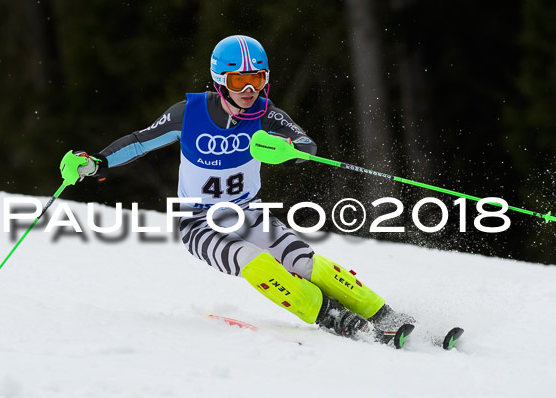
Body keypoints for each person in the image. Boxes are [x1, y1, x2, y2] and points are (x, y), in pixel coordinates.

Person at [61, 35, 412, 341]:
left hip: (247, 213)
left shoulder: (265, 113)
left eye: (257, 79)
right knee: (254, 262)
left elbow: (307, 145)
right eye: (239, 80)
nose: (249, 90)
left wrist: (287, 152)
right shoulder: (189, 113)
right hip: (198, 222)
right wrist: (96, 163)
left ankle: (383, 315)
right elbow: (141, 141)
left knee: (305, 262)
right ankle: (329, 316)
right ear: (219, 80)